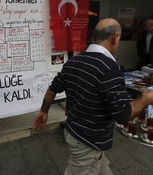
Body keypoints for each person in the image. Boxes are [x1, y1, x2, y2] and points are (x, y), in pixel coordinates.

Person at [34, 18, 153, 175]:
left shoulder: (73, 62)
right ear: (115, 37)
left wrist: (44, 111)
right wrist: (146, 99)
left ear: (94, 37)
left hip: (74, 132)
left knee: (102, 168)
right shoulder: (110, 68)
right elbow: (123, 115)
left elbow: (51, 91)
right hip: (88, 142)